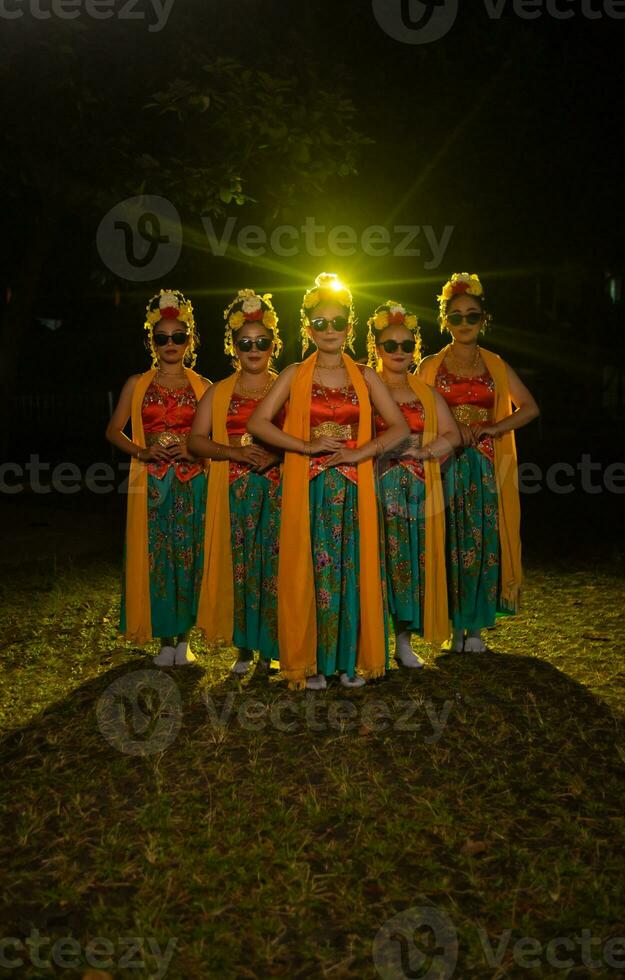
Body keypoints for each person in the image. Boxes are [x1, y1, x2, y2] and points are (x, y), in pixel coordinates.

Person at [247, 272, 409, 690]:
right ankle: (315, 662)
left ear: (350, 328)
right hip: (311, 490)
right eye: (321, 323)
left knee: (352, 569)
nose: (330, 330)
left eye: (338, 322)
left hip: (354, 490)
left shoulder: (367, 376)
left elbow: (399, 429)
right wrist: (302, 444)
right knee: (312, 574)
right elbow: (258, 423)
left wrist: (360, 451)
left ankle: (350, 662)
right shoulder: (293, 373)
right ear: (308, 329)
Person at [419, 273, 539, 652]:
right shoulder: (430, 366)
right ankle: (454, 627)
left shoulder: (496, 365)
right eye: (456, 317)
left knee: (483, 541)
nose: (465, 323)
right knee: (449, 540)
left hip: (486, 466)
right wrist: (450, 431)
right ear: (445, 322)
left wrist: (492, 427)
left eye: (472, 316)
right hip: (446, 463)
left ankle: (476, 630)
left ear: (484, 319)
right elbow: (416, 413)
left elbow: (530, 408)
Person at [105, 289, 210, 666]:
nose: (171, 344)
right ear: (152, 341)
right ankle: (165, 640)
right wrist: (142, 450)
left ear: (190, 341)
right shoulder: (138, 383)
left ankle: (184, 638)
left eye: (178, 337)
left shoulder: (204, 387)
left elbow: (215, 440)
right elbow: (114, 430)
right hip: (151, 484)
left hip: (193, 482)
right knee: (158, 559)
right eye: (162, 337)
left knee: (190, 557)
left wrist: (195, 449)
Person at [188, 290, 283, 674]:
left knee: (274, 568)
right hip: (234, 493)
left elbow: (302, 436)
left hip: (279, 491)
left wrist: (277, 455)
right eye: (245, 343)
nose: (254, 349)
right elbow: (195, 441)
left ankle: (272, 647)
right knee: (239, 568)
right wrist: (235, 453)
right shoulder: (219, 391)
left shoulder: (286, 386)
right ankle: (243, 648)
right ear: (233, 346)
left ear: (273, 344)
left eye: (262, 342)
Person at [367, 301, 460, 666]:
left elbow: (453, 433)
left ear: (415, 350)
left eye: (407, 345)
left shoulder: (425, 393)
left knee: (410, 562)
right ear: (377, 349)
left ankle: (403, 643)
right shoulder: (365, 388)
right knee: (376, 563)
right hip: (374, 488)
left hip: (417, 491)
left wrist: (426, 451)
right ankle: (372, 642)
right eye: (391, 345)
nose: (399, 352)